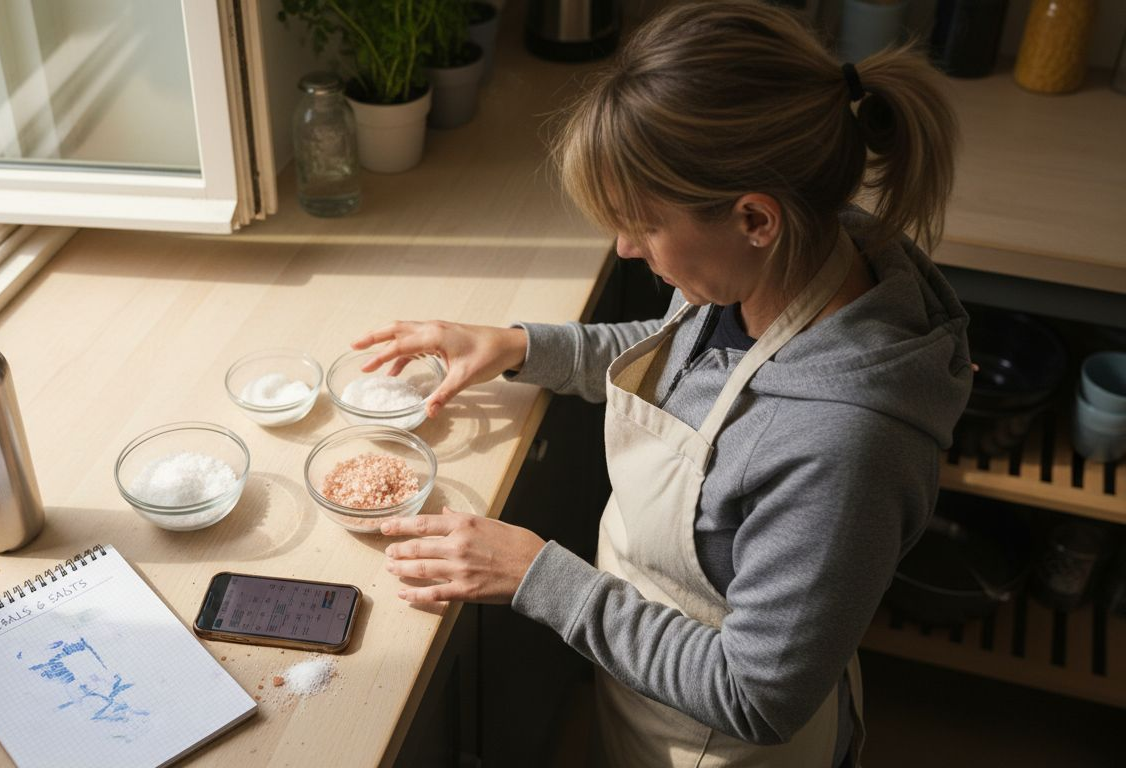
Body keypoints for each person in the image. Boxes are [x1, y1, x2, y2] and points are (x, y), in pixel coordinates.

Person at [355, 2, 972, 766]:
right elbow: (681, 362)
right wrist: (518, 346)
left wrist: (536, 576)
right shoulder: (786, 259)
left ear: (754, 218)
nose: (623, 247)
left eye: (643, 225)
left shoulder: (845, 447)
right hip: (647, 687)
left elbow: (755, 694)